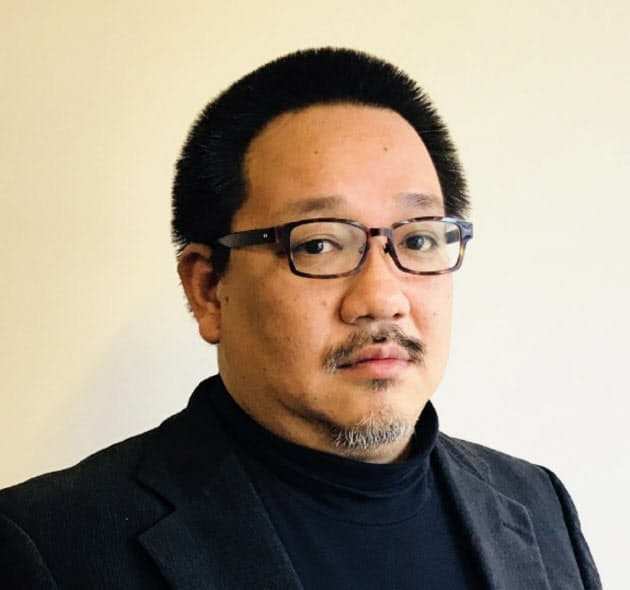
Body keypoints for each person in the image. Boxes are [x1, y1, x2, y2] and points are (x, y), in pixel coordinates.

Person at [0, 47, 600, 589]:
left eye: (417, 240)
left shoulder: (535, 504)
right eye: (318, 244)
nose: (382, 298)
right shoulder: (47, 546)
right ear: (208, 289)